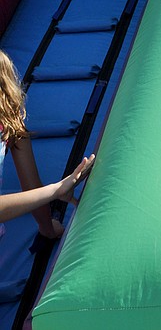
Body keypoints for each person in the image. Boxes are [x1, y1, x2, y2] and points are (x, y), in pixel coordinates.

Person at [0, 50, 95, 234]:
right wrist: (56, 192)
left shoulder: (10, 122)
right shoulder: (9, 120)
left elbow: (31, 184)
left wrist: (47, 226)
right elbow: (31, 183)